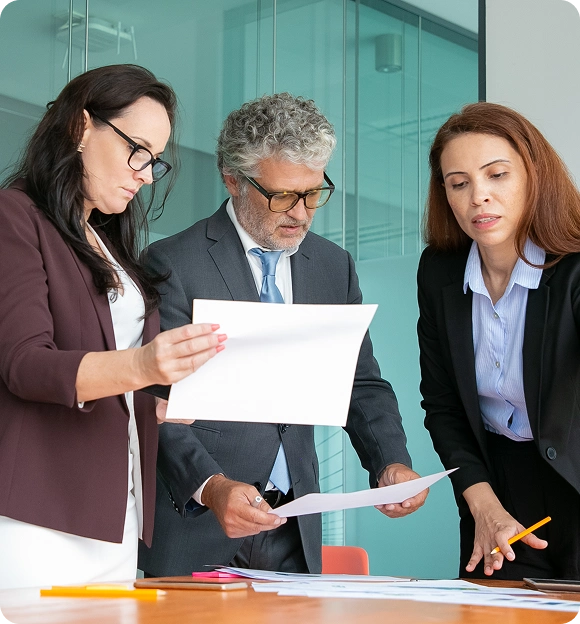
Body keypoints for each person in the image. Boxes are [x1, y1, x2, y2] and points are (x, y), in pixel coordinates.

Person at [138, 92, 428, 577]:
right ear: (233, 179)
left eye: (314, 193)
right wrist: (211, 486)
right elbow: (156, 403)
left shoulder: (333, 267)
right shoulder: (174, 264)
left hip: (294, 524)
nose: (302, 212)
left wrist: (390, 463)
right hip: (198, 523)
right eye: (283, 196)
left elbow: (360, 381)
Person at [0, 64, 225, 589]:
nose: (146, 173)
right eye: (137, 150)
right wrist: (143, 366)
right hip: (41, 514)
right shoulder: (15, 216)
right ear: (82, 128)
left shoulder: (104, 239)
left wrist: (152, 404)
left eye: (154, 160)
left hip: (115, 513)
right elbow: (25, 364)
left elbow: (107, 370)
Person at [418, 101, 580, 580]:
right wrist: (483, 505)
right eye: (459, 183)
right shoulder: (440, 271)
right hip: (494, 489)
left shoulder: (573, 268)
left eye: (496, 175)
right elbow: (443, 405)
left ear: (533, 176)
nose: (478, 198)